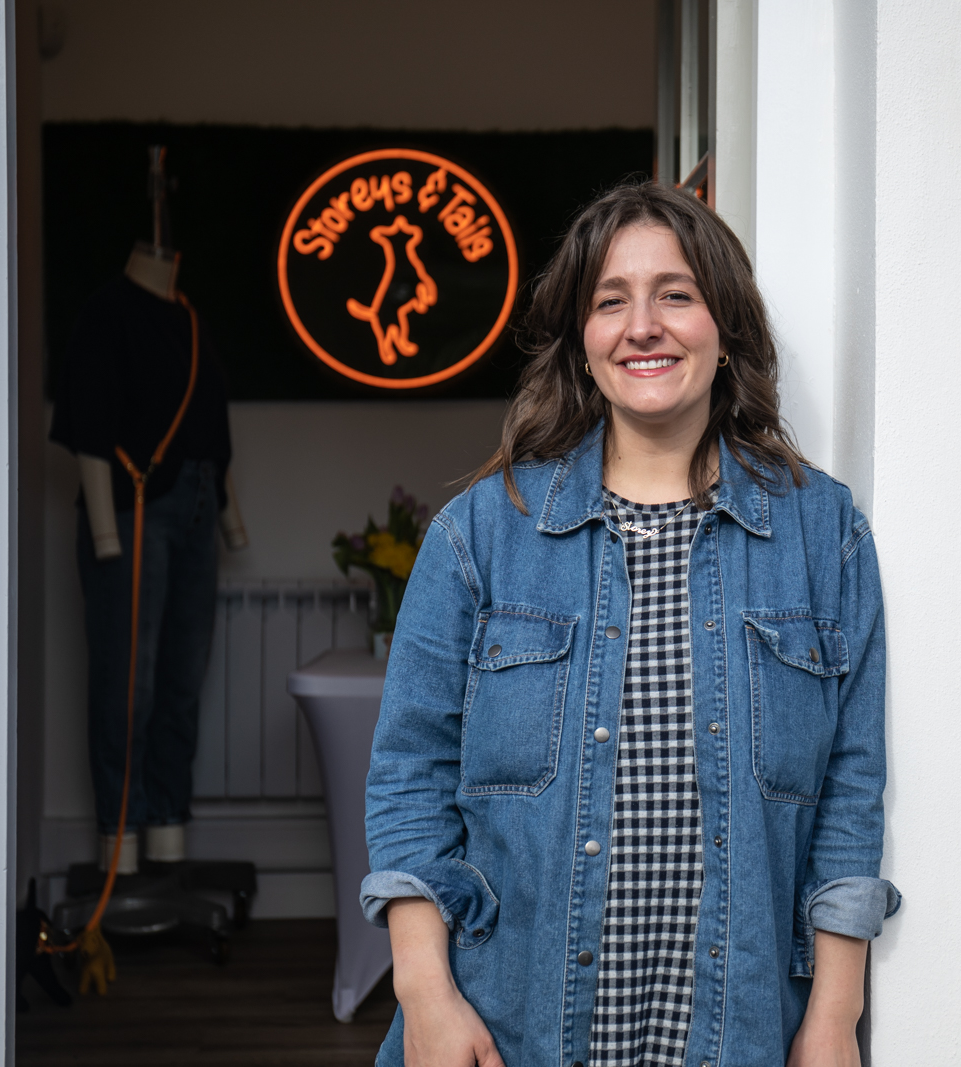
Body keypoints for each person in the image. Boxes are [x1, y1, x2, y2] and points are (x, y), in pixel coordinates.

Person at [361, 182, 900, 1067]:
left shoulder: (822, 532)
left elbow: (849, 788)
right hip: (506, 1030)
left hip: (743, 1034)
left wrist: (834, 1015)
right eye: (610, 301)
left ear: (725, 328)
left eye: (674, 295)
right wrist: (425, 995)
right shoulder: (481, 533)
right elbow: (409, 775)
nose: (641, 326)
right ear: (582, 340)